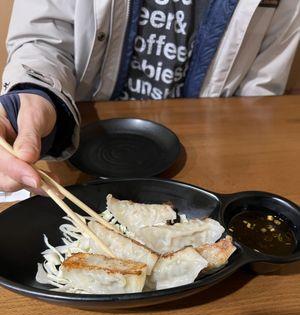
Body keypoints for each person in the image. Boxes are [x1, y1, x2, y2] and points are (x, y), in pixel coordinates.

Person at [0, 0, 299, 194]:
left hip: (207, 167)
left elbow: (260, 93)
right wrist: (34, 95)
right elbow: (41, 40)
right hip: (79, 152)